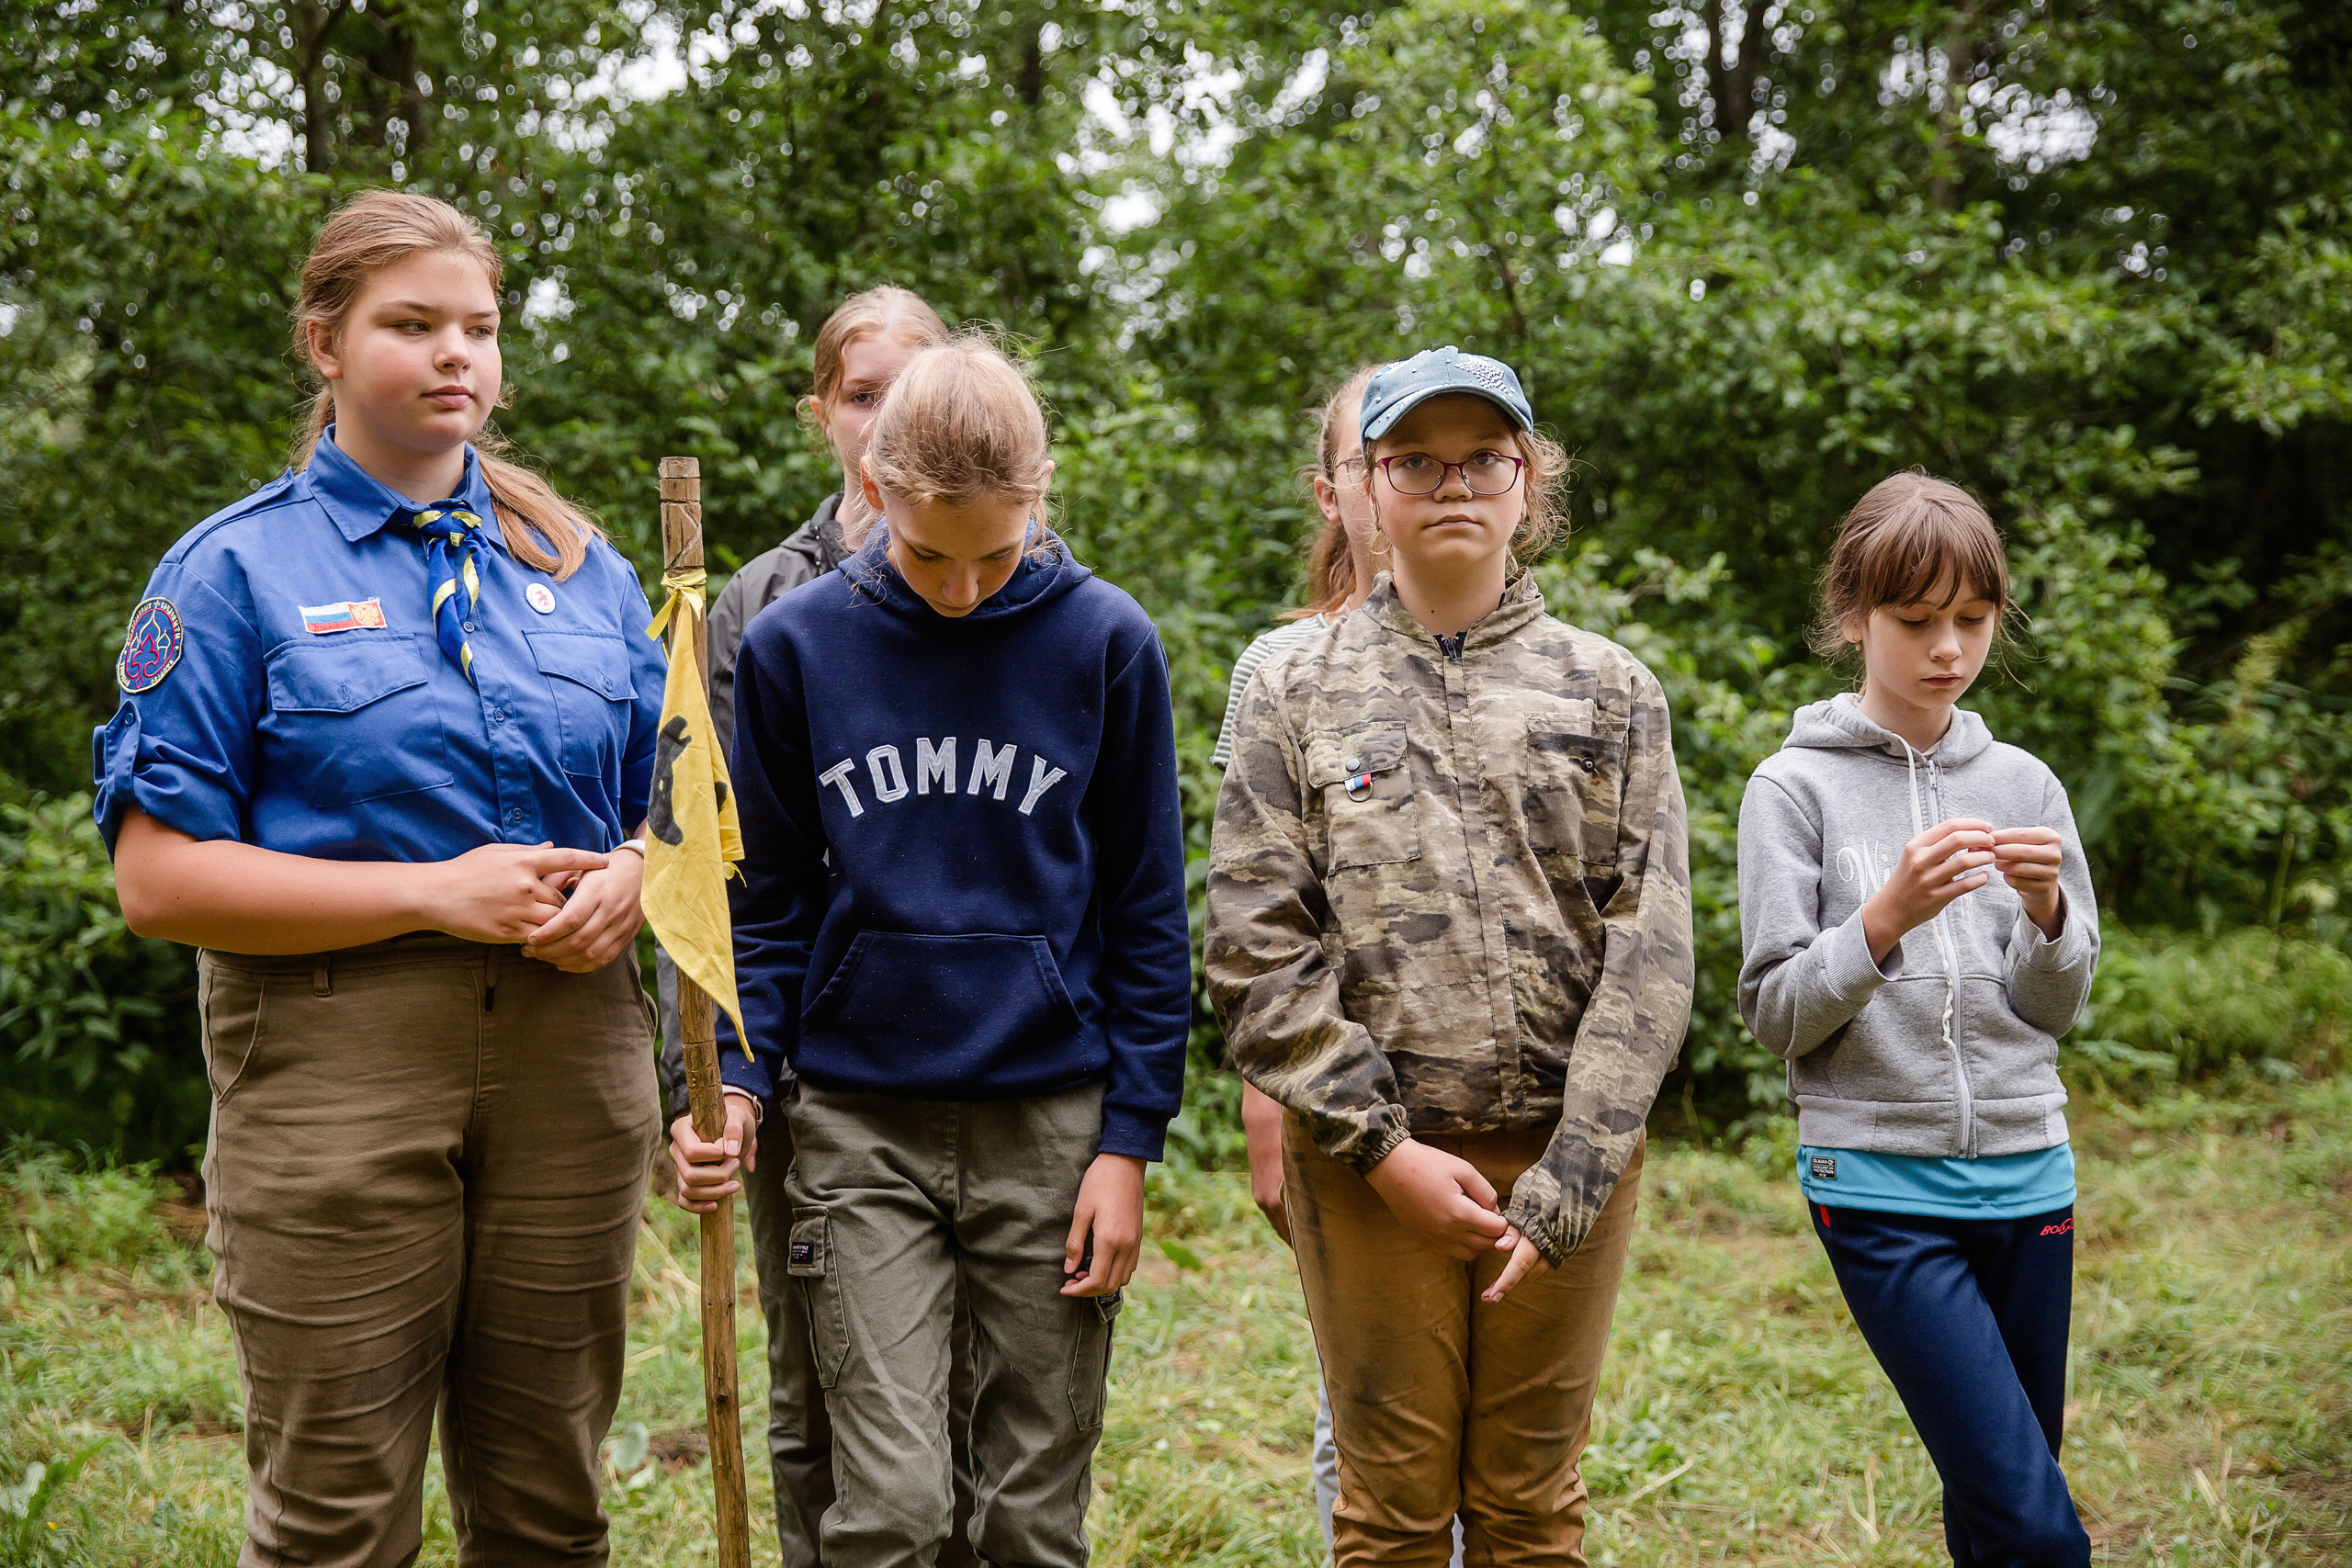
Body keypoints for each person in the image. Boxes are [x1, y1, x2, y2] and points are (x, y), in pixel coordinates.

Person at [96, 189, 663, 1566]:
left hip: (576, 1054)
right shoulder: (232, 572)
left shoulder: (581, 570)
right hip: (335, 1053)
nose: (455, 353)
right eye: (411, 325)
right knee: (335, 1510)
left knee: (551, 1499)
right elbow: (159, 880)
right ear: (324, 342)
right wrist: (430, 891)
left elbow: (680, 801)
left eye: (478, 326)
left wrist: (641, 870)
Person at [674, 335, 1193, 1566]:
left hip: (1051, 1127)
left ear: (1039, 500)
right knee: (895, 1504)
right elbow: (768, 900)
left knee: (1027, 1514)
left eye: (993, 554)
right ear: (875, 488)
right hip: (861, 1124)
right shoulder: (800, 643)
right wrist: (742, 1077)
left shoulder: (1107, 642)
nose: (958, 590)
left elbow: (1147, 914)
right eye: (924, 554)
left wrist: (1128, 1141)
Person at [1207, 345, 1694, 1565]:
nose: (1453, 483)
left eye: (1486, 455)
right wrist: (1382, 1149)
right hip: (1374, 1167)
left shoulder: (1612, 691)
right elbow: (1256, 946)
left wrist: (1577, 1168)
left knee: (1532, 1506)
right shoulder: (1290, 684)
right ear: (1365, 487)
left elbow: (1654, 947)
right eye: (1415, 459)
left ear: (1531, 479)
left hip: (1567, 1160)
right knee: (1392, 1513)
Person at [1736, 470, 2098, 1568]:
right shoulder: (1791, 788)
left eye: (1972, 621)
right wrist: (1883, 918)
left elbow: (2059, 1005)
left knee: (1998, 1499)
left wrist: (2044, 914)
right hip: (1880, 1191)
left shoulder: (2025, 784)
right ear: (1852, 617)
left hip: (2032, 1171)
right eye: (1915, 620)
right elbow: (1773, 1015)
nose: (1948, 647)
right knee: (2040, 1531)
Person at [658, 282, 953, 1568]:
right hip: (803, 1046)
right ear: (821, 410)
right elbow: (716, 864)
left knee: (985, 1399)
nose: (890, 419)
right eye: (863, 391)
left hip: (976, 1043)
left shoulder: (1011, 568)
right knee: (816, 1383)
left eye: (917, 389)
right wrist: (715, 1073)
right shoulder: (757, 605)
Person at [1215, 362, 1460, 1558]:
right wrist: (1272, 1103)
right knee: (1364, 1406)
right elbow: (1266, 914)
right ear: (1337, 489)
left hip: (1498, 1097)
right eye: (1381, 456)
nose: (1409, 479)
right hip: (1346, 1101)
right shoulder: (1285, 674)